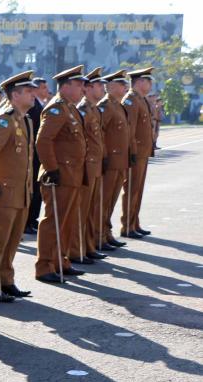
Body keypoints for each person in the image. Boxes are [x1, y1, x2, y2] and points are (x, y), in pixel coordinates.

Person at [0, 70, 37, 302]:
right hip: (4, 189)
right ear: (15, 95)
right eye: (28, 91)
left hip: (21, 190)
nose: (33, 95)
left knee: (14, 238)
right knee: (0, 239)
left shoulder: (25, 119)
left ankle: (6, 279)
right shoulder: (5, 119)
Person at [34, 65, 88, 284]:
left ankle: (60, 261)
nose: (83, 89)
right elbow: (43, 140)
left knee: (66, 222)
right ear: (65, 87)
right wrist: (52, 169)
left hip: (72, 174)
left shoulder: (71, 108)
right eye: (79, 85)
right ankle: (44, 266)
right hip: (59, 175)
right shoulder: (56, 108)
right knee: (53, 222)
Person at [72, 67, 107, 264]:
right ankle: (77, 250)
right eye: (99, 85)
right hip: (86, 166)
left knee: (90, 210)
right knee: (81, 211)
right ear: (88, 88)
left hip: (95, 165)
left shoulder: (93, 108)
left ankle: (87, 246)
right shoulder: (83, 110)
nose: (103, 88)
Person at [97, 70, 130, 250]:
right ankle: (99, 236)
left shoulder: (118, 105)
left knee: (111, 201)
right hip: (109, 162)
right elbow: (100, 132)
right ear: (110, 86)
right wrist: (104, 155)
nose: (125, 87)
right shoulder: (106, 105)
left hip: (119, 163)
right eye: (121, 84)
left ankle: (106, 233)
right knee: (103, 201)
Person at [121, 67, 155, 238]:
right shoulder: (131, 100)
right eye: (148, 81)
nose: (150, 84)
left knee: (138, 190)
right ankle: (127, 225)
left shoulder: (141, 99)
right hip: (136, 153)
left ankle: (134, 223)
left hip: (143, 152)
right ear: (140, 82)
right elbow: (130, 129)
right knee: (132, 189)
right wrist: (132, 152)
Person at [25, 77, 51, 234]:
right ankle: (28, 222)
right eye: (42, 88)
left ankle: (32, 220)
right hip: (33, 156)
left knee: (36, 191)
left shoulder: (41, 106)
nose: (46, 91)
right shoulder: (32, 108)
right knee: (32, 190)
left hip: (37, 156)